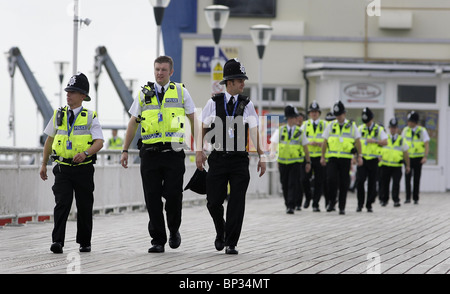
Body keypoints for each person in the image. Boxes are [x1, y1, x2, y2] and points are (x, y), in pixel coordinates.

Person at [120, 56, 197, 253]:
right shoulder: (144, 94)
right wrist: (125, 149)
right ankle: (158, 240)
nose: (159, 73)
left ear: (171, 72)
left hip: (173, 153)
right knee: (152, 198)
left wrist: (200, 149)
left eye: (163, 70)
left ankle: (173, 229)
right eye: (156, 69)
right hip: (150, 154)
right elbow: (132, 123)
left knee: (173, 196)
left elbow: (193, 120)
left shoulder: (181, 92)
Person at [197, 58, 266, 255]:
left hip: (239, 160)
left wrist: (262, 156)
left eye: (243, 80)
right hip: (218, 158)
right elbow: (201, 127)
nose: (243, 83)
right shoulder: (214, 102)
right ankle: (221, 230)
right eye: (239, 80)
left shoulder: (247, 104)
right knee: (213, 201)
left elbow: (254, 131)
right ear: (229, 82)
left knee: (237, 201)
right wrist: (199, 152)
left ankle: (231, 242)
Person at [39, 73, 104, 253]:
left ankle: (84, 242)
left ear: (83, 96)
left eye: (73, 92)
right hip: (62, 168)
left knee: (84, 205)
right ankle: (57, 241)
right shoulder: (57, 115)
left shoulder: (91, 117)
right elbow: (49, 141)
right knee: (62, 204)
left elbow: (99, 142)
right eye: (68, 91)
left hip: (83, 169)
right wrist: (44, 164)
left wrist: (85, 153)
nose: (68, 94)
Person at [320, 101, 362, 215]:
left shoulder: (352, 126)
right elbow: (324, 142)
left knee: (344, 183)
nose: (338, 116)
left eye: (340, 114)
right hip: (332, 158)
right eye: (336, 114)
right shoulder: (331, 125)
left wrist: (359, 156)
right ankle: (332, 201)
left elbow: (358, 142)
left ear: (344, 113)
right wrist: (322, 156)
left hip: (345, 159)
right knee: (331, 180)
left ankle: (342, 206)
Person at [271, 105, 311, 214]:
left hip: (296, 162)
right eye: (294, 117)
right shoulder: (281, 130)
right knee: (284, 184)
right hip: (283, 162)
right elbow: (274, 143)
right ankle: (287, 203)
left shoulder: (300, 132)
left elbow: (305, 148)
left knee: (293, 183)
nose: (296, 119)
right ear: (289, 118)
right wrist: (273, 155)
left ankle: (291, 205)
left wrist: (308, 162)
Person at [356, 107, 387, 212]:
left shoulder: (379, 129)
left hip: (374, 159)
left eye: (368, 121)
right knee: (360, 181)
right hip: (363, 158)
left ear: (372, 119)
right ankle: (360, 204)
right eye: (365, 121)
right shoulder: (360, 129)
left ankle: (369, 204)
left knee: (372, 183)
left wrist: (374, 141)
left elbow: (385, 142)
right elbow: (356, 142)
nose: (367, 123)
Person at [301, 101, 326, 212]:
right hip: (308, 157)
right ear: (309, 113)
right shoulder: (305, 125)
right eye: (312, 112)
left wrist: (321, 144)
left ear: (319, 113)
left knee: (319, 181)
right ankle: (308, 196)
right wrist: (309, 142)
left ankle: (316, 203)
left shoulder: (325, 124)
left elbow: (329, 139)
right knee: (304, 179)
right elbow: (300, 138)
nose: (314, 114)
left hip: (319, 156)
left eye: (316, 112)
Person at [379, 118, 410, 207]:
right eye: (391, 128)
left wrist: (408, 165)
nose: (393, 129)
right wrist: (379, 156)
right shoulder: (385, 138)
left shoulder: (401, 140)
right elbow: (379, 149)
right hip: (385, 164)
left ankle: (396, 199)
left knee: (396, 183)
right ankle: (384, 200)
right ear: (389, 128)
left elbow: (406, 154)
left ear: (397, 129)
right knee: (385, 183)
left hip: (397, 165)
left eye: (395, 128)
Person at [401, 111, 429, 204]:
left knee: (416, 178)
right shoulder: (405, 130)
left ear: (415, 122)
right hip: (408, 158)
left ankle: (416, 198)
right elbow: (401, 143)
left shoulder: (422, 131)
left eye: (410, 121)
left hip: (418, 158)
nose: (408, 123)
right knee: (407, 178)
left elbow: (426, 144)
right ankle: (408, 197)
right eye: (408, 121)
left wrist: (425, 156)